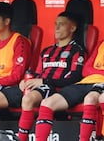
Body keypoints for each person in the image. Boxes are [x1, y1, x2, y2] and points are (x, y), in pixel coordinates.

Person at [16, 11, 85, 141]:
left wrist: (44, 81)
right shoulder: (47, 51)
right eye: (56, 24)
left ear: (72, 28)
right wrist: (25, 81)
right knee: (20, 94)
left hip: (58, 89)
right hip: (42, 86)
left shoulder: (77, 50)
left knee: (28, 100)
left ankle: (22, 139)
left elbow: (75, 77)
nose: (57, 28)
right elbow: (37, 72)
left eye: (62, 24)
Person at [34, 41, 104, 141]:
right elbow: (85, 70)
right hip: (84, 82)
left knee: (90, 99)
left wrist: (95, 71)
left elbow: (89, 69)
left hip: (101, 82)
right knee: (47, 103)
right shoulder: (101, 43)